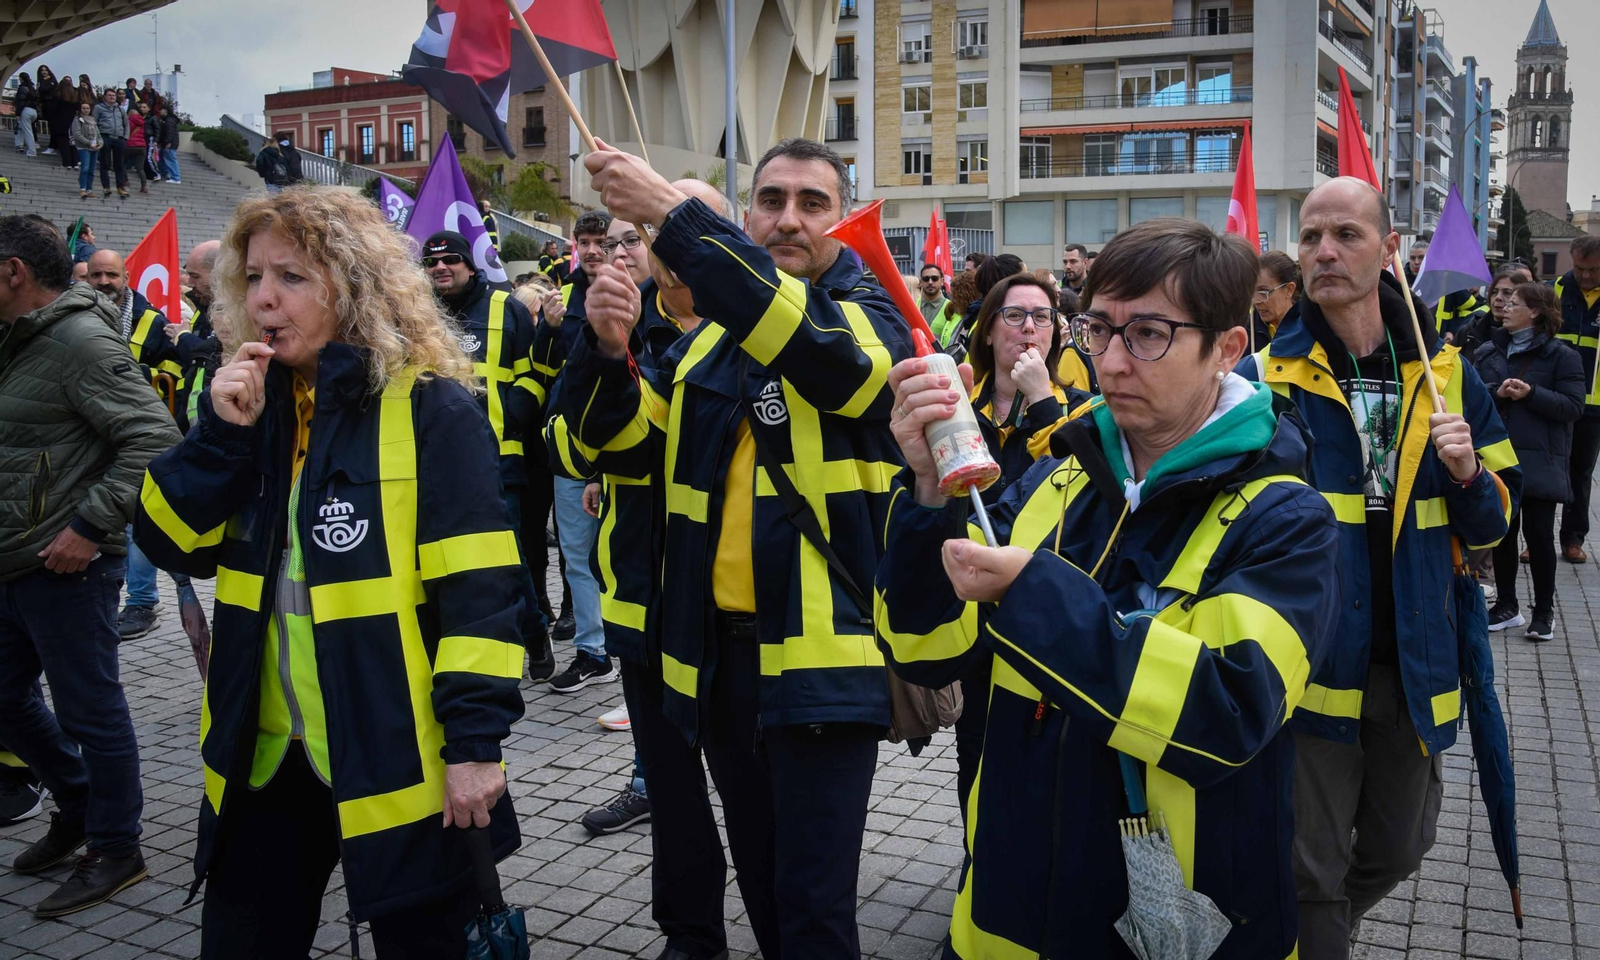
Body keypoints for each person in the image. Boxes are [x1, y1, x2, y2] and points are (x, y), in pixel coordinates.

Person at [877, 217, 1339, 958]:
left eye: (1148, 333)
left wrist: (1033, 594)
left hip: (1177, 927)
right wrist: (930, 497)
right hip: (1004, 911)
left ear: (1226, 348)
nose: (1113, 362)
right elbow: (924, 653)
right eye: (1098, 329)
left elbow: (1227, 713)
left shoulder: (1286, 516)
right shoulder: (1059, 475)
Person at [133, 188, 526, 958]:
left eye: (293, 277)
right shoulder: (247, 402)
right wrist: (217, 438)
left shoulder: (431, 408)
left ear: (353, 286)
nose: (266, 298)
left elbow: (480, 595)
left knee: (424, 943)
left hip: (397, 750)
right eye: (252, 279)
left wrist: (477, 745)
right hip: (266, 752)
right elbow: (168, 544)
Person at [575, 136, 911, 957]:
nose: (787, 218)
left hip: (824, 665)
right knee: (762, 880)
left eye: (812, 202)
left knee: (812, 904)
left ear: (845, 220)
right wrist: (605, 353)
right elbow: (609, 451)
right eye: (770, 200)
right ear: (749, 215)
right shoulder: (703, 345)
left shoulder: (875, 321)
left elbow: (819, 355)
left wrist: (668, 211)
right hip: (722, 665)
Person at [1243, 178, 1518, 960]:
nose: (1324, 251)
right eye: (1311, 237)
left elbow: (1495, 522)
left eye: (1347, 235)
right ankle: (1313, 929)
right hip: (1310, 662)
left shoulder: (1447, 375)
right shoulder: (1266, 381)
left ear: (1390, 251)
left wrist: (1468, 475)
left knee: (1401, 848)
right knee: (1309, 870)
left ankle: (1316, 929)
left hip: (1415, 659)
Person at [0, 214, 180, 917]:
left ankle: (116, 846)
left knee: (90, 711)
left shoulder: (77, 338)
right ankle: (76, 804)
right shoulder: (18, 340)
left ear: (14, 272)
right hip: (17, 556)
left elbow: (154, 438)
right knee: (5, 697)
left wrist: (88, 526)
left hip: (66, 563)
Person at [945, 270, 1086, 826]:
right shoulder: (960, 407)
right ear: (987, 331)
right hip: (975, 615)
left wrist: (1042, 400)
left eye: (1043, 317)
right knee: (975, 754)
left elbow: (1084, 482)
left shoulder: (1078, 406)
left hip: (1043, 608)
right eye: (1015, 316)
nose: (1030, 328)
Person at [422, 229, 555, 680]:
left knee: (511, 563)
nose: (441, 267)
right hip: (438, 466)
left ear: (469, 263)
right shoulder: (418, 315)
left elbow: (537, 372)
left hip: (502, 461)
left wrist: (516, 410)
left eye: (450, 260)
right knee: (452, 568)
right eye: (432, 262)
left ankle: (535, 637)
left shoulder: (507, 308)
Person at [84, 249, 186, 639]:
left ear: (126, 278)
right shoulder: (77, 317)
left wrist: (143, 375)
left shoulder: (151, 320)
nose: (104, 282)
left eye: (112, 275)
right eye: (97, 275)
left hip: (139, 433)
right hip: (93, 436)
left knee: (135, 519)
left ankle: (141, 601)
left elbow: (176, 367)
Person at [1474, 282, 1584, 641]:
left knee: (1538, 537)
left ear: (1535, 312)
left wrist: (1532, 393)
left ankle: (1544, 613)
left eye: (1514, 302)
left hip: (1540, 461)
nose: (1503, 305)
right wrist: (1498, 393)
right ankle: (1507, 606)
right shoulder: (1489, 351)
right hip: (1498, 458)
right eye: (1503, 300)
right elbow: (1472, 399)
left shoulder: (1562, 356)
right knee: (1502, 534)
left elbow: (1572, 407)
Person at [539, 209, 614, 686]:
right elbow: (543, 373)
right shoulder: (559, 298)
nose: (590, 249)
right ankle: (594, 650)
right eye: (583, 240)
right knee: (580, 556)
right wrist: (547, 330)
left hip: (630, 454)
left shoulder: (639, 293)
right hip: (572, 453)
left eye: (600, 241)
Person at [1554, 234, 1600, 563]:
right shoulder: (1556, 290)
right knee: (1549, 469)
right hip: (1555, 398)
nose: (1585, 276)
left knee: (1580, 474)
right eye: (1579, 268)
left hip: (1595, 403)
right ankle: (1536, 539)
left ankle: (1573, 539)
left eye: (1593, 270)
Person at [1251, 249, 1301, 346]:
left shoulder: (1310, 327)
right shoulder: (1246, 332)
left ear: (1289, 290)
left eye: (1263, 292)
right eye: (1253, 292)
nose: (1256, 301)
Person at [92, 88, 128, 200]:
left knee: (120, 164)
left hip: (119, 138)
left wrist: (125, 137)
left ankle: (121, 187)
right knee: (105, 162)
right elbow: (94, 123)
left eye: (113, 95)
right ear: (105, 97)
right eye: (109, 95)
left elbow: (126, 124)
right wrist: (97, 138)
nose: (112, 97)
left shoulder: (120, 109)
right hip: (105, 136)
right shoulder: (98, 108)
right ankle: (106, 186)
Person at [69, 101, 101, 200]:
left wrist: (100, 144)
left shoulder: (93, 120)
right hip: (84, 147)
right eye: (84, 108)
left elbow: (98, 134)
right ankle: (83, 189)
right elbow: (77, 134)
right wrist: (88, 144)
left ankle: (89, 189)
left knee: (92, 170)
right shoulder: (77, 120)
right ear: (80, 109)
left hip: (94, 146)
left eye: (87, 108)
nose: (86, 110)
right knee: (85, 168)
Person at [919, 262, 958, 343]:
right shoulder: (913, 305)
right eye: (926, 279)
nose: (930, 282)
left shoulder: (951, 308)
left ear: (942, 281)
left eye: (934, 278)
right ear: (920, 282)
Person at [124, 100, 150, 194]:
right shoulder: (142, 121)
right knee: (140, 168)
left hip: (130, 145)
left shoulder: (128, 120)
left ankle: (125, 181)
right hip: (142, 146)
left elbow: (126, 131)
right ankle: (144, 186)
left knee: (122, 163)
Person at [13, 74, 39, 158]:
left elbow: (20, 101)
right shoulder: (32, 88)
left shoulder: (22, 87)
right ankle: (19, 145)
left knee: (26, 130)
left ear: (21, 78)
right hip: (33, 111)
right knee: (22, 127)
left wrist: (17, 113)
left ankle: (32, 151)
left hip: (25, 110)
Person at [155, 104, 180, 184]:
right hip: (165, 143)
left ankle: (175, 178)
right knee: (161, 158)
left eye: (161, 110)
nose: (159, 112)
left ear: (165, 111)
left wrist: (168, 142)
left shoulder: (169, 121)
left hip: (169, 144)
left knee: (170, 160)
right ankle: (165, 173)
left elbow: (170, 133)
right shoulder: (167, 120)